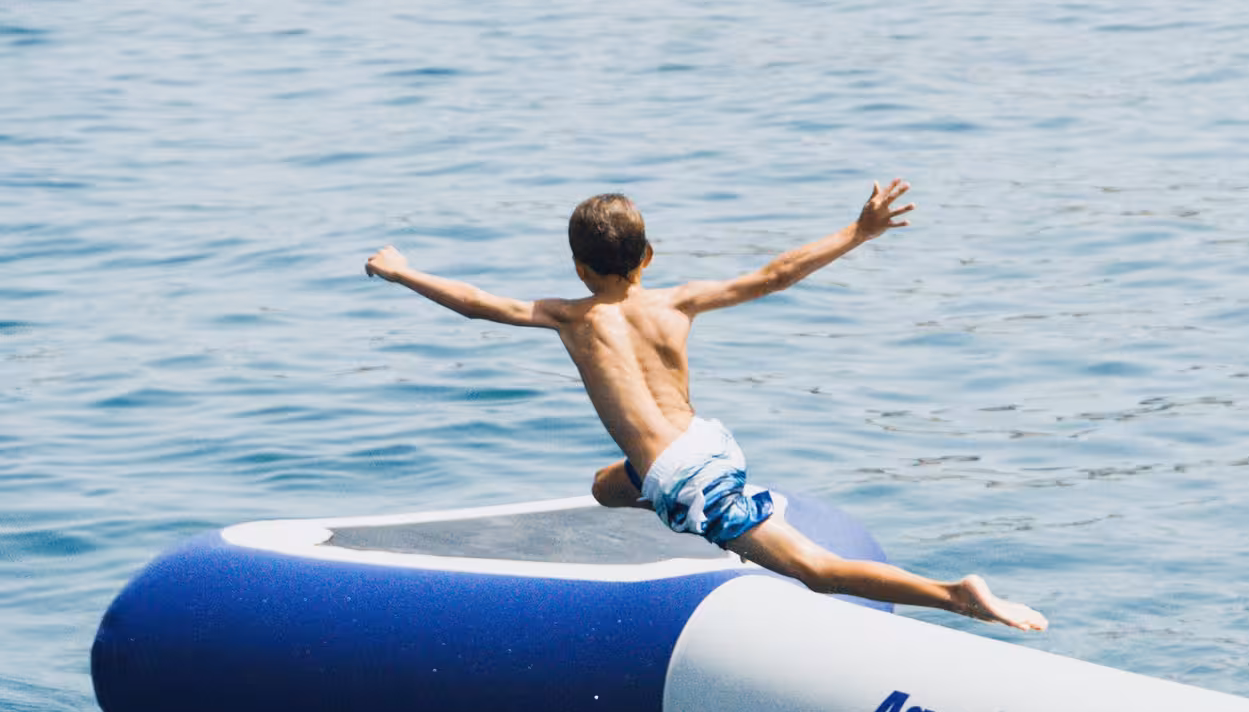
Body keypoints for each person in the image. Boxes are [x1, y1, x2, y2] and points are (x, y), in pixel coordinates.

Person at [365, 180, 1047, 631]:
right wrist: (859, 230)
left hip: (689, 476)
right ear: (648, 257)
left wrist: (401, 270)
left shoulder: (569, 316)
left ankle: (956, 594)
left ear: (579, 267)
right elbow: (776, 273)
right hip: (704, 444)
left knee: (813, 570)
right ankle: (648, 488)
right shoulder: (677, 302)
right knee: (607, 488)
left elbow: (479, 303)